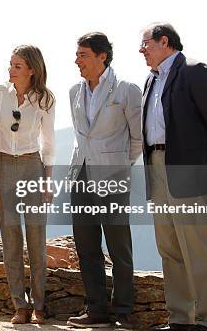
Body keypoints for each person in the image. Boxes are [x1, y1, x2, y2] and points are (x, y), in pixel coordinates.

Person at [140, 23, 207, 331]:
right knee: (169, 247)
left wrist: (206, 161)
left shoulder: (195, 71)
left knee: (198, 247)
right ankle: (179, 319)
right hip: (155, 165)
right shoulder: (150, 81)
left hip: (189, 168)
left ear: (164, 42)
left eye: (146, 44)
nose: (142, 50)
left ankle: (206, 323)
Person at [65, 32, 142, 329]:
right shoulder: (74, 91)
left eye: (83, 55)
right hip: (80, 175)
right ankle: (95, 309)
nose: (77, 61)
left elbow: (138, 138)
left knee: (118, 245)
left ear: (102, 56)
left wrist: (120, 166)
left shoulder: (127, 90)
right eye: (77, 54)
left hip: (112, 176)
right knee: (86, 246)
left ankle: (123, 311)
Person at [0, 45, 55, 325]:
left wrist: (48, 181)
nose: (10, 70)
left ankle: (39, 305)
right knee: (10, 237)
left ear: (32, 70)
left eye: (17, 66)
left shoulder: (44, 99)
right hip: (2, 165)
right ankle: (19, 306)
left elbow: (48, 144)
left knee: (36, 236)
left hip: (32, 166)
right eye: (10, 64)